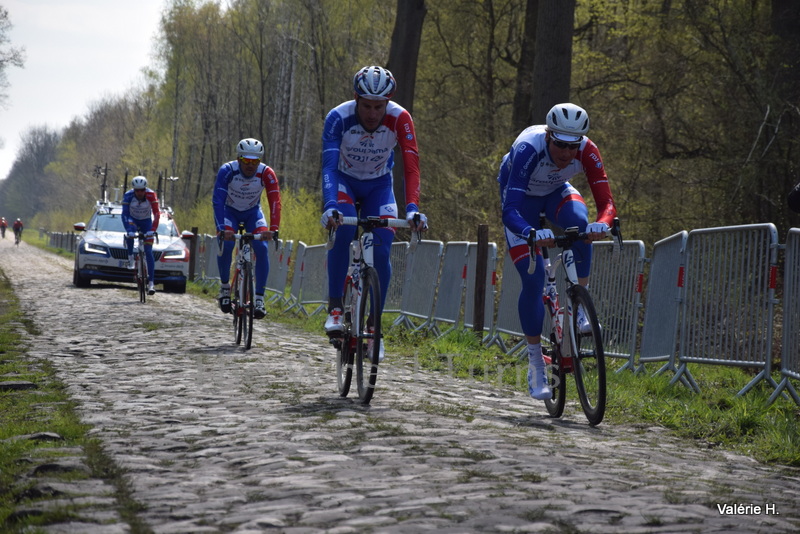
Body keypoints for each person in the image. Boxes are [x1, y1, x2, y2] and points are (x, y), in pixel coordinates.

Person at [498, 103, 616, 401]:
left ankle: (578, 306)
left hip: (554, 192)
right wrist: (530, 233)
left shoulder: (588, 150)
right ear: (548, 136)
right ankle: (536, 363)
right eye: (560, 145)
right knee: (534, 280)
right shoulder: (528, 148)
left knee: (580, 225)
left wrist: (601, 225)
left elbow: (607, 205)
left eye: (572, 147)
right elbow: (509, 211)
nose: (566, 153)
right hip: (521, 201)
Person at [320, 65, 428, 361]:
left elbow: (411, 167)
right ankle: (335, 308)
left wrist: (413, 209)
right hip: (344, 182)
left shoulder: (400, 118)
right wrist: (330, 206)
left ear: (388, 103)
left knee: (382, 248)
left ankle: (373, 329)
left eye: (378, 106)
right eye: (366, 105)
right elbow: (328, 167)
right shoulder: (338, 118)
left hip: (379, 185)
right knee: (342, 231)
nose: (371, 113)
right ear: (356, 99)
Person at [213, 138, 281, 320]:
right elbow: (218, 200)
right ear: (238, 158)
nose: (250, 165)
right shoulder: (228, 171)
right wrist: (221, 229)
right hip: (230, 212)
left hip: (252, 213)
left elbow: (275, 201)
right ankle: (225, 288)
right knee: (226, 245)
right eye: (246, 161)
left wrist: (274, 229)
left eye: (255, 161)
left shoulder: (266, 173)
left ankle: (259, 298)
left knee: (262, 247)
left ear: (260, 161)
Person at [122, 176, 160, 295]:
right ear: (133, 190)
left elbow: (157, 213)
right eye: (137, 190)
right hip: (132, 219)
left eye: (142, 190)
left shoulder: (151, 195)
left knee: (148, 251)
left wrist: (153, 229)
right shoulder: (128, 196)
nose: (139, 193)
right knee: (131, 234)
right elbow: (124, 214)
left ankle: (151, 283)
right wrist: (129, 229)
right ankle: (130, 258)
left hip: (146, 222)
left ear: (145, 189)